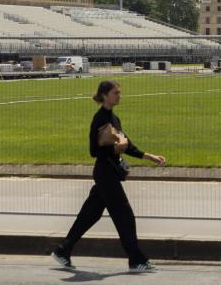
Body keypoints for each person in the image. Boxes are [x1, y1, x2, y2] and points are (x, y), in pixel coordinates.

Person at [51, 80, 166, 273]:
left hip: (109, 172)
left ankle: (63, 250)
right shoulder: (99, 119)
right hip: (105, 174)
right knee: (125, 216)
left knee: (90, 214)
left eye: (119, 92)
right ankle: (136, 259)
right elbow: (94, 151)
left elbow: (127, 144)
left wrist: (149, 156)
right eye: (115, 93)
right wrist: (115, 148)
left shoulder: (114, 118)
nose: (119, 96)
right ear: (104, 95)